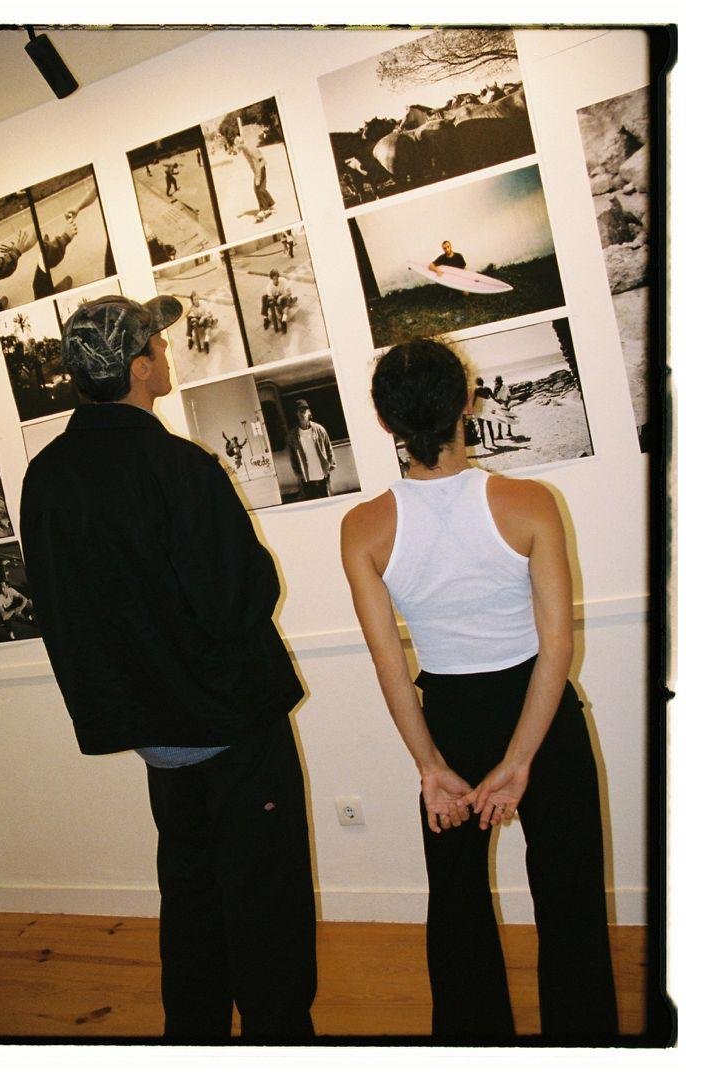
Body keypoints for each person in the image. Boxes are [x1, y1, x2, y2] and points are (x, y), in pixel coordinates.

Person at [20, 294, 316, 1041]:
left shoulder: (46, 478)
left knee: (190, 895)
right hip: (230, 725)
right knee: (265, 905)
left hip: (154, 735)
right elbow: (241, 596)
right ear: (138, 368)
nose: (167, 352)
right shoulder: (179, 466)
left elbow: (63, 609)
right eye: (156, 343)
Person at [339, 339, 618, 1042]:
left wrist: (430, 766)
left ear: (385, 422)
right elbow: (557, 646)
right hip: (541, 714)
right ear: (467, 402)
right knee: (570, 897)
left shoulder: (363, 527)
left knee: (456, 903)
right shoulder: (529, 502)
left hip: (450, 720)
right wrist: (523, 759)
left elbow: (388, 663)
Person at [287, 399, 334, 500]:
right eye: (299, 411)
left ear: (309, 412)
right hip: (306, 477)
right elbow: (292, 456)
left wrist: (330, 466)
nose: (302, 413)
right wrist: (298, 473)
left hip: (323, 474)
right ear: (296, 414)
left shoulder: (319, 429)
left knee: (328, 501)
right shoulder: (293, 435)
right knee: (312, 503)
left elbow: (328, 448)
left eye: (305, 410)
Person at [235, 135, 275, 221]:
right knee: (260, 189)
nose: (237, 148)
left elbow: (256, 163)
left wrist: (257, 177)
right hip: (259, 168)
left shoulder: (249, 149)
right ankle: (270, 205)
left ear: (241, 143)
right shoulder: (245, 149)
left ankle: (264, 209)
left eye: (238, 145)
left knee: (258, 189)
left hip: (260, 168)